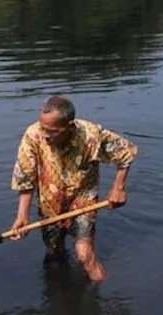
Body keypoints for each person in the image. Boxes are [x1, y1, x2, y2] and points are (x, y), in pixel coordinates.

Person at [9, 95, 137, 283]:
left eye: (52, 131)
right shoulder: (33, 135)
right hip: (50, 202)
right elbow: (25, 179)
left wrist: (118, 188)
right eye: (42, 127)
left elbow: (127, 152)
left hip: (83, 199)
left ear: (69, 127)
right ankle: (59, 296)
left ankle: (104, 297)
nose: (44, 134)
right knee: (54, 253)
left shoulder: (91, 135)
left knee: (85, 256)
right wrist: (22, 216)